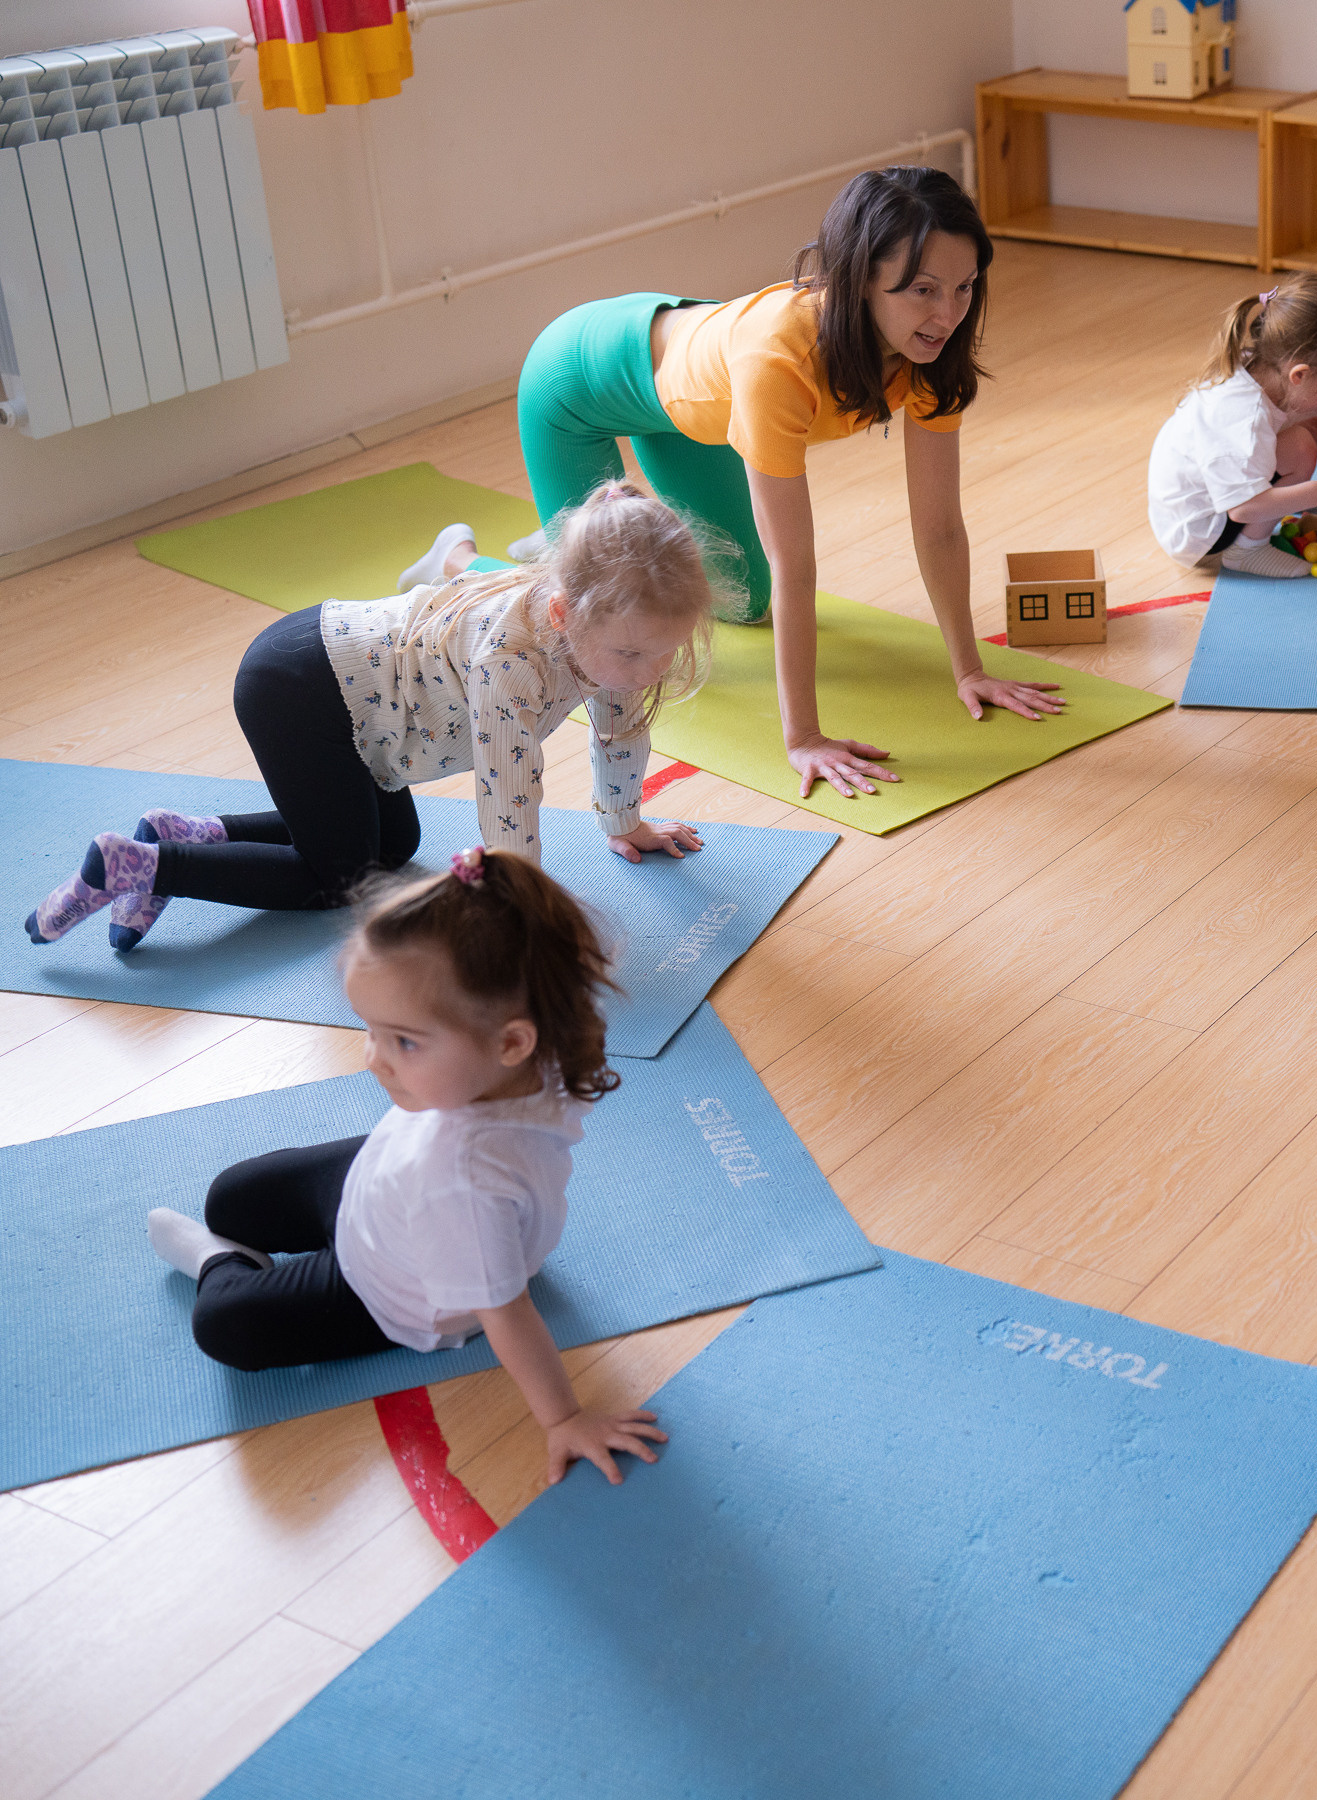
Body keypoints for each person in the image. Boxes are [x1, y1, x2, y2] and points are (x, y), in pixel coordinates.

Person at [511, 165, 1061, 803]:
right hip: (577, 384)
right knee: (582, 630)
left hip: (693, 414)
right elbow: (795, 563)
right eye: (921, 290)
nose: (947, 314)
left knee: (744, 599)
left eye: (964, 287)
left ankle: (568, 536)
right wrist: (803, 736)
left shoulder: (927, 351)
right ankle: (475, 558)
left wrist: (969, 670)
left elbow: (938, 525)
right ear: (860, 284)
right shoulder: (779, 363)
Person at [144, 848, 667, 1488]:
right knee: (231, 1196)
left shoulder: (463, 1185)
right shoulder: (535, 1052)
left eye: (404, 1041)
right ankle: (246, 1238)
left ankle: (217, 1264)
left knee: (226, 1326)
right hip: (382, 1182)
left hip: (388, 1285)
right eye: (372, 1031)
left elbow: (507, 1312)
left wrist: (563, 1418)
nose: (373, 1059)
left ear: (510, 1042)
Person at [27, 484, 711, 950]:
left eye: (664, 651)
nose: (650, 669)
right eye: (634, 654)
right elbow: (509, 796)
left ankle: (187, 830)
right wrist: (520, 915)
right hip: (300, 690)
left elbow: (622, 727)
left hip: (354, 702)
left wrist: (627, 822)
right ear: (565, 616)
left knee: (392, 847)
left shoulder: (615, 642)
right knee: (337, 877)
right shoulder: (513, 663)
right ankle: (141, 864)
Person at [1146, 272, 1317, 578]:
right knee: (1303, 446)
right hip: (1202, 532)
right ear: (1300, 375)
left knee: (1315, 426)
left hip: (1214, 498)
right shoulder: (1243, 419)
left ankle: (1275, 509)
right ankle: (1248, 549)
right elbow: (1243, 507)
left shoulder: (1271, 365)